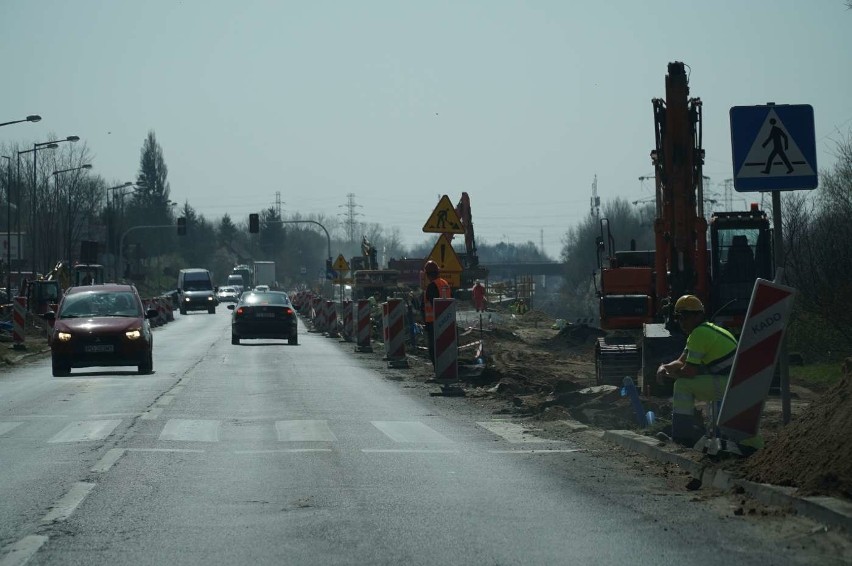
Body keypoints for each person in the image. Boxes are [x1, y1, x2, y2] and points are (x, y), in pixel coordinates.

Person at [656, 295, 763, 451]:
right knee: (683, 382)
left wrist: (671, 375)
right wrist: (665, 367)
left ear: (698, 315)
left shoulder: (699, 334)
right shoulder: (703, 331)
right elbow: (681, 361)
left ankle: (682, 437)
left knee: (682, 385)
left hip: (732, 385)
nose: (682, 322)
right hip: (737, 383)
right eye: (679, 317)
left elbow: (689, 372)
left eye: (685, 317)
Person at [421, 260, 451, 364]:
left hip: (433, 322)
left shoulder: (432, 286)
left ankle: (438, 371)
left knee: (434, 348)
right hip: (447, 320)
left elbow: (433, 305)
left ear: (428, 275)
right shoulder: (444, 283)